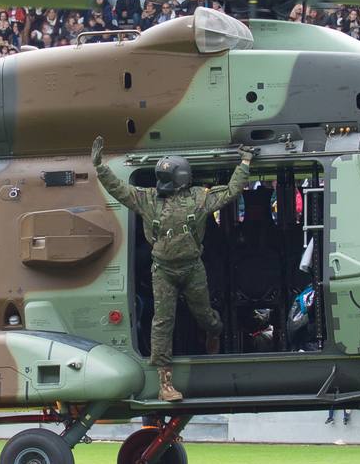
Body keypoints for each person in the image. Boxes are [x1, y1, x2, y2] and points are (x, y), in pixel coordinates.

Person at [92, 136, 256, 401]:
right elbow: (118, 189)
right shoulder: (150, 199)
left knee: (204, 315)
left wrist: (245, 163)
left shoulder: (197, 199)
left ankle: (214, 331)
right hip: (164, 271)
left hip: (192, 268)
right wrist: (100, 168)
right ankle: (165, 384)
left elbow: (230, 191)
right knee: (162, 323)